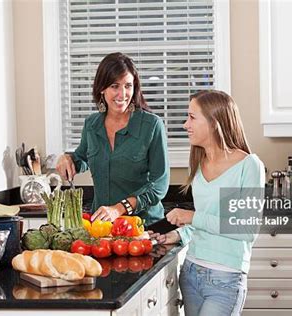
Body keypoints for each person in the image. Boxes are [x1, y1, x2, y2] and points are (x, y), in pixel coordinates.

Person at [153, 90, 265, 315]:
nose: (186, 124)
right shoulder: (199, 162)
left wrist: (191, 216)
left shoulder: (248, 165)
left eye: (192, 117)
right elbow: (206, 219)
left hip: (225, 280)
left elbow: (246, 229)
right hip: (192, 272)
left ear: (215, 122)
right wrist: (178, 234)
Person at [56, 52, 170, 226]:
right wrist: (67, 159)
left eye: (128, 86)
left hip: (143, 227)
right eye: (115, 86)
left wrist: (119, 208)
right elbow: (82, 158)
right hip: (102, 227)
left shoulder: (151, 125)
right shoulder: (91, 125)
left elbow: (159, 185)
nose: (122, 94)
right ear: (102, 88)